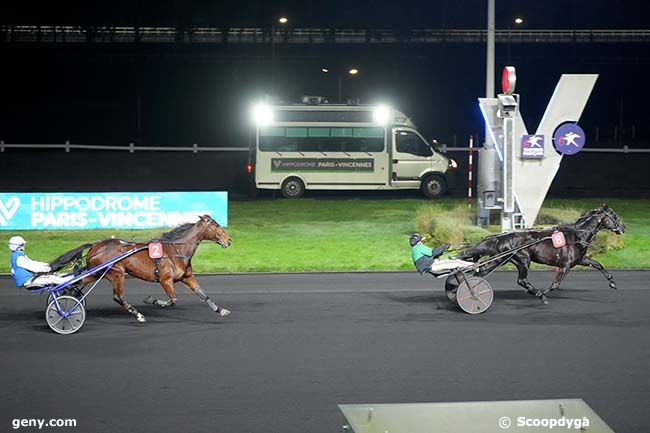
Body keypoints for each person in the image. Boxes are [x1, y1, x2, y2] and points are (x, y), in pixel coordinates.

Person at [8, 236, 74, 288]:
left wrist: (47, 265)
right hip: (26, 280)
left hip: (29, 277)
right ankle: (67, 281)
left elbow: (32, 263)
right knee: (51, 278)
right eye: (22, 244)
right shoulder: (18, 258)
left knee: (52, 275)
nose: (24, 246)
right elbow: (33, 268)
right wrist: (47, 269)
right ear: (18, 246)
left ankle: (67, 279)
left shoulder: (19, 255)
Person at [409, 233, 474, 275]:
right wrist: (444, 247)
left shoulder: (415, 249)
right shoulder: (419, 247)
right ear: (418, 241)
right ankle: (474, 266)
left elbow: (433, 254)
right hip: (433, 266)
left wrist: (444, 249)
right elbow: (433, 253)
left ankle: (473, 266)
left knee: (455, 260)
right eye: (421, 239)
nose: (422, 241)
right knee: (456, 262)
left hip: (431, 265)